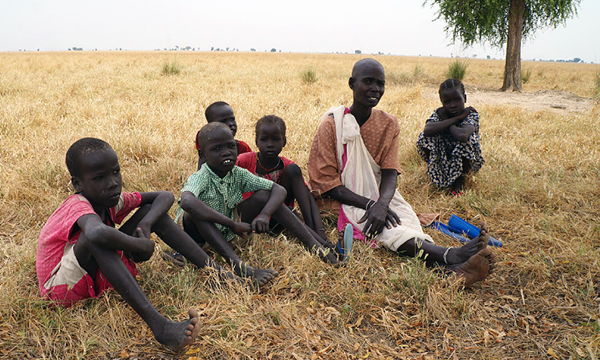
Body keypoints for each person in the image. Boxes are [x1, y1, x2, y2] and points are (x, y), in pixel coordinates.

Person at [36, 138, 240, 351]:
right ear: (78, 184)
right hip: (60, 289)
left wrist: (146, 223)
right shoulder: (77, 204)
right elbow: (96, 233)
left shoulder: (110, 200)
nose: (113, 182)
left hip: (88, 270)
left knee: (154, 214)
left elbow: (165, 196)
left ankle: (218, 274)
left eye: (116, 172)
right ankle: (161, 327)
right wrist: (139, 245)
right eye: (99, 177)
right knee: (96, 237)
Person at [307, 59, 495, 286]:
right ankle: (450, 256)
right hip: (339, 199)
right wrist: (370, 206)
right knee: (382, 227)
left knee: (402, 218)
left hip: (378, 193)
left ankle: (453, 269)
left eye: (380, 83)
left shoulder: (388, 124)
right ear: (351, 83)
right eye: (368, 82)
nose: (375, 89)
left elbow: (389, 173)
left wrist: (382, 204)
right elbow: (326, 183)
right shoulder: (332, 124)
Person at [177, 123, 348, 286]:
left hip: (227, 234)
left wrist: (265, 214)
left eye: (231, 146)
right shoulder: (201, 177)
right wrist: (232, 224)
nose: (226, 153)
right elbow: (186, 201)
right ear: (202, 155)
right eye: (216, 149)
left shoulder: (238, 173)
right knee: (195, 211)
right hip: (199, 239)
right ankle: (242, 268)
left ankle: (319, 249)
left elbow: (278, 190)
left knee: (264, 195)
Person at [236, 115, 328, 242]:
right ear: (256, 142)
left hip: (278, 218)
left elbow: (307, 197)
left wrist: (320, 229)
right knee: (267, 196)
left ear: (284, 142)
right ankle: (323, 244)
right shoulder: (243, 161)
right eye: (264, 139)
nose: (270, 144)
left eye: (275, 139)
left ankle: (315, 234)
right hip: (250, 218)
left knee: (294, 171)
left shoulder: (287, 166)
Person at [416, 79, 485, 195]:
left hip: (466, 161)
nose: (453, 105)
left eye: (457, 99)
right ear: (441, 102)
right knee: (425, 137)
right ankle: (437, 177)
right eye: (447, 102)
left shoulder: (471, 114)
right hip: (445, 158)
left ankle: (460, 183)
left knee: (466, 140)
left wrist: (447, 121)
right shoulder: (440, 113)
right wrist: (456, 119)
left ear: (465, 98)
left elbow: (462, 135)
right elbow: (427, 130)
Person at [196, 101, 252, 170]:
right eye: (223, 121)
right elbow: (201, 171)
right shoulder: (207, 146)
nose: (231, 124)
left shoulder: (242, 147)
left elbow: (252, 166)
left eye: (232, 119)